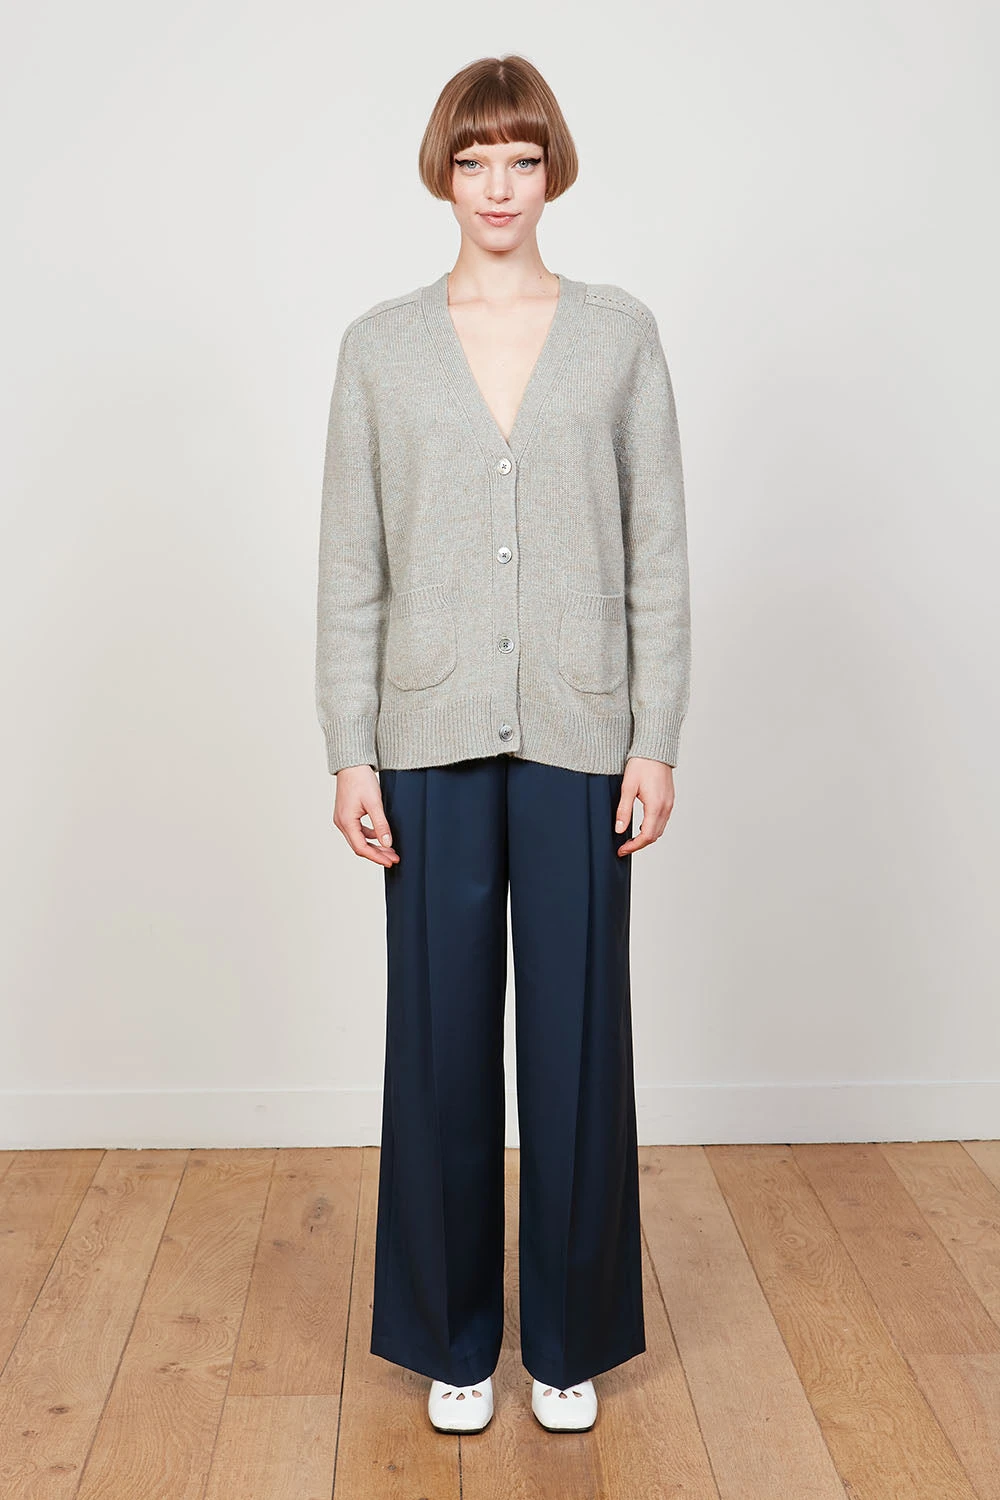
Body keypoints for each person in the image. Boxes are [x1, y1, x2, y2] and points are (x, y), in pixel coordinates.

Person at [315, 53, 691, 1436]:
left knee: (580, 1043)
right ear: (444, 172)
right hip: (424, 732)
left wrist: (657, 736)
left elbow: (658, 553)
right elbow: (350, 566)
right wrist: (350, 750)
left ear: (552, 172)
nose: (497, 187)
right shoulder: (379, 348)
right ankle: (453, 1339)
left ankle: (571, 1339)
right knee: (438, 1042)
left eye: (521, 161)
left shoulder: (619, 336)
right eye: (474, 161)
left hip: (586, 733)